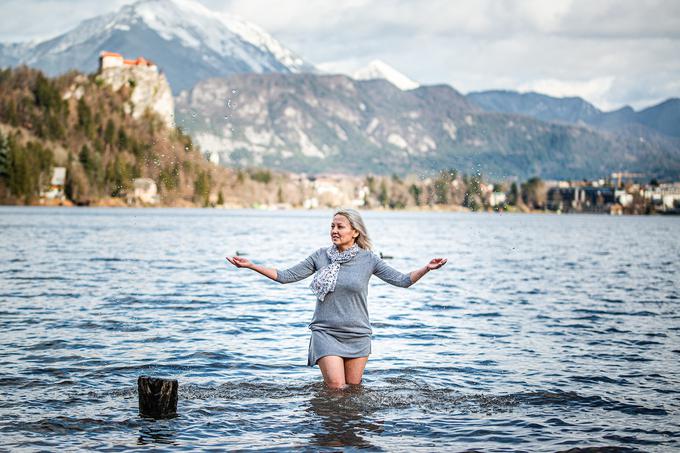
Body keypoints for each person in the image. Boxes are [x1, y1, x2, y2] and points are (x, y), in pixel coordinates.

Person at [226, 208, 447, 390]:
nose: (334, 230)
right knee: (335, 387)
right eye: (332, 226)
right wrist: (252, 265)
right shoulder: (320, 256)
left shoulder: (369, 259)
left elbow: (403, 280)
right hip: (325, 332)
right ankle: (328, 437)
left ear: (355, 232)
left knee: (353, 391)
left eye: (340, 226)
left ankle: (348, 435)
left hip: (357, 334)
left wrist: (426, 268)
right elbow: (285, 276)